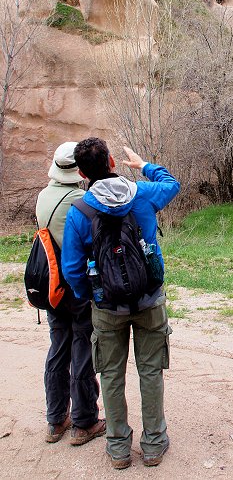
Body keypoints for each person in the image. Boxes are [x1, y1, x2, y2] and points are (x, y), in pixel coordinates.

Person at [61, 138, 180, 470]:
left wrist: (93, 296)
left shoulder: (81, 211)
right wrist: (144, 166)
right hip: (149, 300)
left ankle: (118, 449)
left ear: (82, 173)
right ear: (112, 161)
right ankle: (154, 444)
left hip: (107, 307)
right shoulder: (140, 193)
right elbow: (171, 184)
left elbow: (71, 269)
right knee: (151, 371)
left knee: (111, 375)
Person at [35, 142, 105, 445]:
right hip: (75, 285)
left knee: (57, 348)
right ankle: (84, 422)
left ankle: (55, 420)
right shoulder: (81, 199)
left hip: (51, 286)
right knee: (81, 348)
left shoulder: (42, 197)